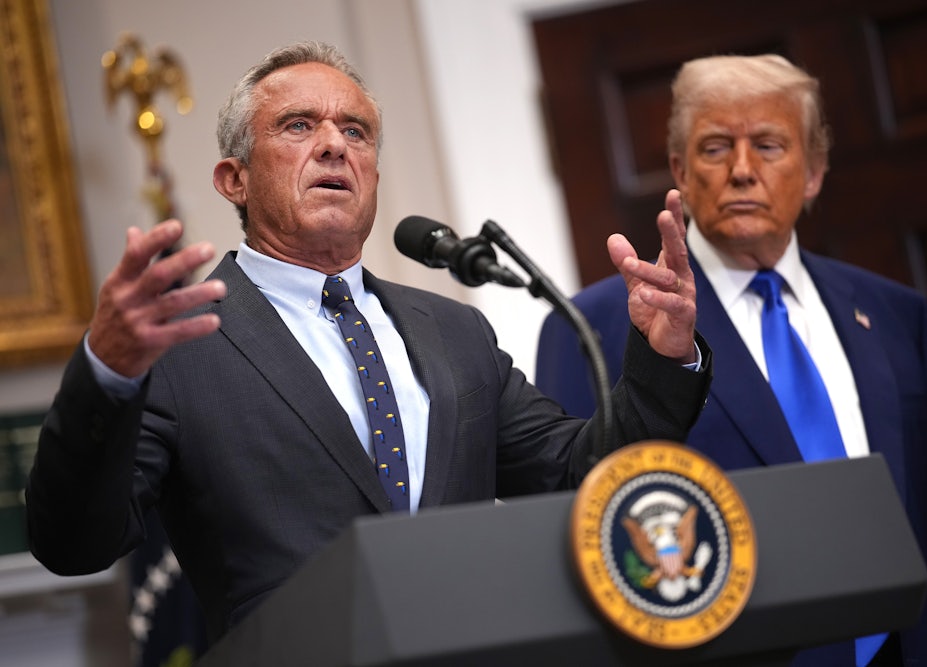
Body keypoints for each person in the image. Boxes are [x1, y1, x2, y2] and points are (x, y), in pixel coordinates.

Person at [24, 41, 712, 644]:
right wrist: (107, 372)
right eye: (298, 125)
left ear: (374, 174)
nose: (334, 145)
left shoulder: (455, 332)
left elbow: (582, 477)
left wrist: (664, 356)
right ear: (234, 178)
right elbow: (76, 544)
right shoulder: (179, 343)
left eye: (355, 131)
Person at [535, 54, 927, 665]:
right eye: (715, 148)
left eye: (771, 145)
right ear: (679, 170)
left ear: (814, 172)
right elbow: (583, 547)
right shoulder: (593, 326)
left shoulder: (896, 315)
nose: (743, 171)